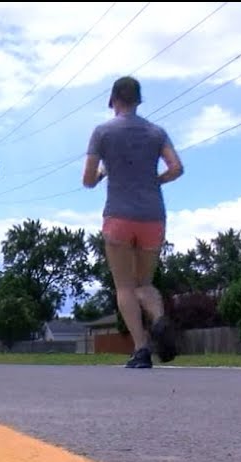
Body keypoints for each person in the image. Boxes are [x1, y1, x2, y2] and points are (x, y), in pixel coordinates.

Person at [83, 75, 184, 369]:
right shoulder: (156, 132)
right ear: (139, 100)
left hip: (119, 217)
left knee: (124, 286)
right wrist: (156, 181)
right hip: (153, 216)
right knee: (144, 284)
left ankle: (141, 349)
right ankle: (160, 318)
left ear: (113, 100)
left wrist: (103, 172)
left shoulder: (102, 132)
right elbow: (176, 168)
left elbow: (88, 180)